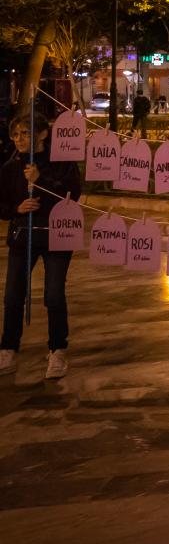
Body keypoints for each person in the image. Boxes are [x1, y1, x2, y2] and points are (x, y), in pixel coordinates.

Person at [1, 112, 82, 379]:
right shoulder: (10, 167)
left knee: (54, 294)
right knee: (13, 294)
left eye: (25, 133)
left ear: (42, 134)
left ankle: (57, 349)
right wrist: (17, 208)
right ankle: (9, 347)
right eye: (15, 134)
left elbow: (71, 194)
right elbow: (2, 204)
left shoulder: (62, 162)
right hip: (23, 236)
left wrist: (40, 180)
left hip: (56, 236)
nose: (19, 139)